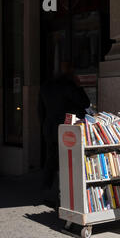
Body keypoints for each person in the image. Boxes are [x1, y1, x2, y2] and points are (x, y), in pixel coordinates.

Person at [38, 63, 91, 209]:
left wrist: (45, 126)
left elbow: (40, 110)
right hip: (67, 130)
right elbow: (85, 102)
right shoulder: (69, 86)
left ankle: (47, 193)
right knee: (68, 163)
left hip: (50, 128)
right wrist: (79, 86)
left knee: (52, 160)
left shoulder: (46, 86)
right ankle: (62, 197)